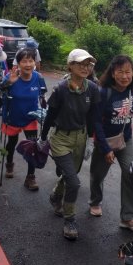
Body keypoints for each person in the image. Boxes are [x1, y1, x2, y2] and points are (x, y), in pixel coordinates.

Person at [39, 48, 101, 241]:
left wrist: (91, 139)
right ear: (70, 66)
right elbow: (50, 115)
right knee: (74, 182)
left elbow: (93, 116)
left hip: (80, 138)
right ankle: (69, 219)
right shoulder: (61, 89)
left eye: (88, 64)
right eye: (81, 64)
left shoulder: (92, 88)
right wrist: (42, 138)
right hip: (61, 138)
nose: (85, 68)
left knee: (69, 176)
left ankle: (55, 196)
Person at [89, 55, 133, 229]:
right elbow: (96, 122)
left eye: (128, 72)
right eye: (120, 72)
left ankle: (127, 217)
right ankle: (94, 201)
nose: (125, 76)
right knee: (98, 174)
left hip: (125, 139)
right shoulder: (103, 92)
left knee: (131, 173)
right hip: (104, 140)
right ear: (113, 73)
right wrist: (106, 148)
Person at [0, 48, 47, 190]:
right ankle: (9, 163)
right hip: (12, 118)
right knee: (11, 144)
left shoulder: (38, 77)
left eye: (31, 60)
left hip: (30, 118)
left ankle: (30, 177)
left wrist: (46, 109)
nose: (28, 64)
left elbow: (42, 97)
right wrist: (8, 83)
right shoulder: (11, 76)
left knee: (33, 147)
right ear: (18, 63)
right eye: (24, 61)